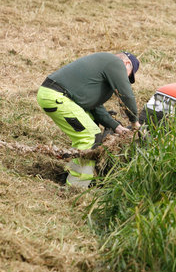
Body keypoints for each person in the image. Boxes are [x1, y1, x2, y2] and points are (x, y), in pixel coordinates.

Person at [36, 51, 142, 188]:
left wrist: (116, 126)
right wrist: (135, 123)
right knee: (90, 137)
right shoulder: (115, 63)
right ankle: (75, 188)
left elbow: (95, 107)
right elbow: (126, 94)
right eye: (128, 76)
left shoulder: (100, 68)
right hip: (57, 96)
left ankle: (68, 175)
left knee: (89, 128)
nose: (125, 79)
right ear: (127, 64)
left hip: (54, 94)